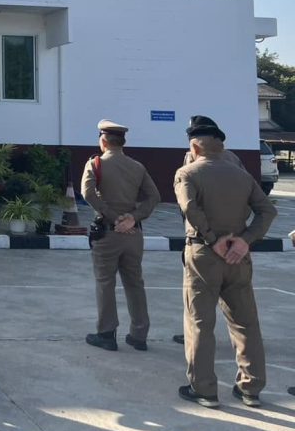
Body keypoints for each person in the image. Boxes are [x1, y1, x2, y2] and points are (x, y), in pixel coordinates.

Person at [175, 124, 277, 409]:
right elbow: (267, 210)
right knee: (245, 323)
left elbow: (189, 209)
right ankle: (251, 388)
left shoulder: (188, 173)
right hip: (238, 257)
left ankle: (204, 389)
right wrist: (245, 240)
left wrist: (211, 239)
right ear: (221, 147)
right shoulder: (242, 175)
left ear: (194, 147)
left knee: (199, 322)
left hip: (203, 255)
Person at [80, 120, 160, 352]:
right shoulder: (137, 167)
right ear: (122, 142)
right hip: (133, 234)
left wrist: (115, 218)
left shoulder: (95, 164)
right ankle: (139, 334)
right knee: (135, 283)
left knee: (105, 282)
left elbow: (88, 194)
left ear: (103, 141)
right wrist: (133, 218)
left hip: (108, 232)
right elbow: (154, 197)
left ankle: (106, 333)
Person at [171, 115, 246, 346]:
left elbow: (188, 203)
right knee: (238, 303)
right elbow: (249, 197)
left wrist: (205, 234)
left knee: (197, 295)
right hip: (233, 238)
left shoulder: (192, 159)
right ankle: (243, 343)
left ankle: (194, 337)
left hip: (203, 238)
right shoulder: (234, 159)